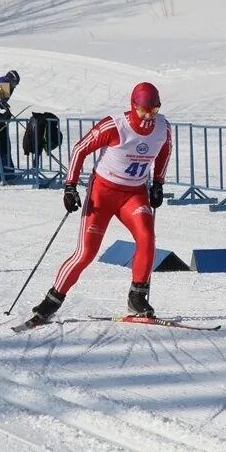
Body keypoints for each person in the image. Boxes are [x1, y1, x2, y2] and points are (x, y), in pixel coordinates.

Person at [27, 82, 172, 325]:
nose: (148, 116)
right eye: (143, 110)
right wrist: (70, 186)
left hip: (134, 193)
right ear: (133, 106)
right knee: (86, 253)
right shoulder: (115, 125)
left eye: (154, 110)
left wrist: (158, 183)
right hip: (103, 193)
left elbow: (165, 151)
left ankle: (137, 296)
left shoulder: (162, 127)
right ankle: (51, 300)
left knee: (147, 238)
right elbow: (80, 149)